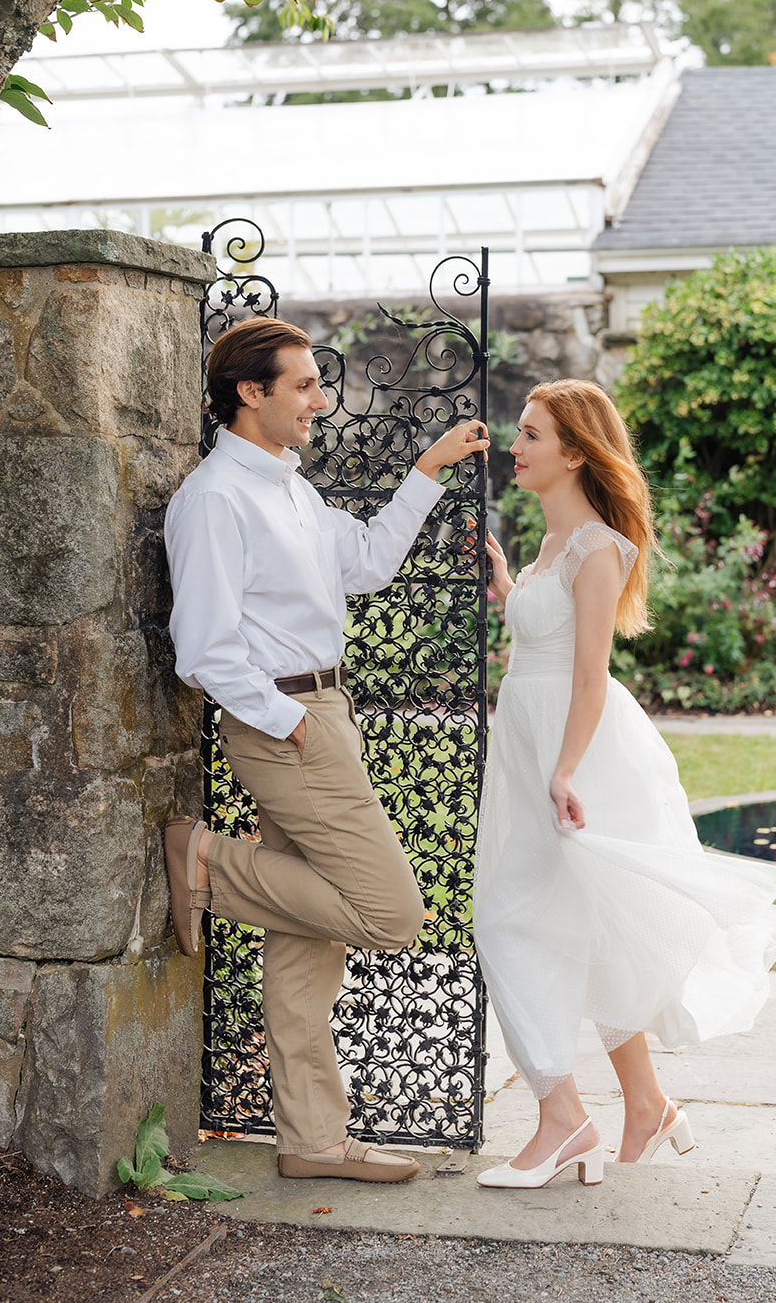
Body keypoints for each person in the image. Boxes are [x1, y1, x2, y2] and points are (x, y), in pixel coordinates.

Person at [163, 316, 489, 1185]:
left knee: (308, 941)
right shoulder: (213, 498)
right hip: (287, 726)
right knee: (389, 914)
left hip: (323, 709)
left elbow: (371, 565)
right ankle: (206, 862)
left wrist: (425, 470)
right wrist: (289, 723)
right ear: (251, 392)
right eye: (303, 385)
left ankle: (310, 1140)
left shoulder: (292, 491)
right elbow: (202, 645)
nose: (320, 399)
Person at [473, 379, 776, 1190]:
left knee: (510, 920)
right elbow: (542, 639)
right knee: (586, 925)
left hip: (576, 748)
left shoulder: (599, 549)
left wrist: (565, 770)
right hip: (530, 740)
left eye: (532, 434)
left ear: (574, 452)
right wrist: (508, 584)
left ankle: (561, 1119)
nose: (516, 445)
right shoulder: (548, 548)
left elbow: (586, 676)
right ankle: (644, 1104)